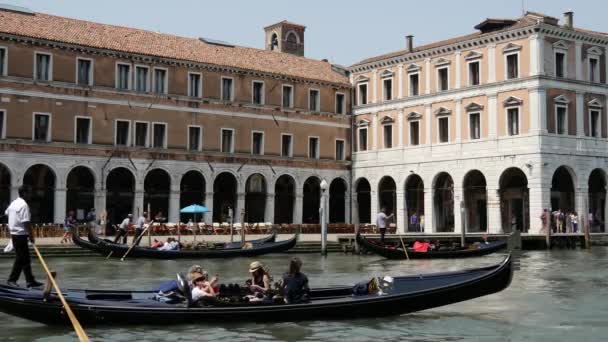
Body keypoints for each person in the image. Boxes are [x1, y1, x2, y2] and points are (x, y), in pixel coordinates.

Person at [5, 186, 43, 288]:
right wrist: (31, 236)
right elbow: (26, 222)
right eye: (29, 193)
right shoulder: (24, 205)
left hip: (15, 234)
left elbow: (7, 213)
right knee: (21, 259)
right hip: (21, 234)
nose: (30, 195)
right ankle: (12, 280)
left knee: (25, 259)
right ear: (25, 193)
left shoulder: (14, 203)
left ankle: (30, 280)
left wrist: (14, 222)